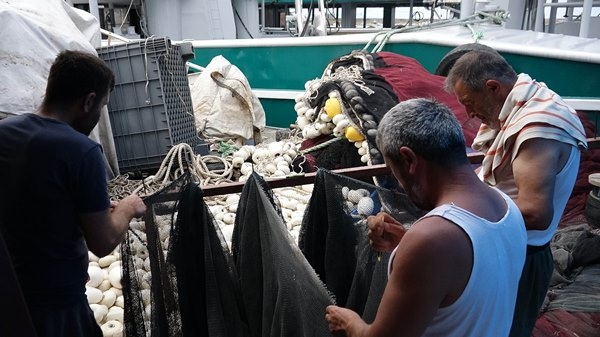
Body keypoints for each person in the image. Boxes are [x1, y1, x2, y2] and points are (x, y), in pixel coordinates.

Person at [325, 98, 527, 336]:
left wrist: (349, 322)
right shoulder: (506, 206)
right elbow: (471, 278)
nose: (399, 184)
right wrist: (404, 242)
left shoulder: (431, 240)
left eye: (394, 170)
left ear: (408, 160)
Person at [0, 50, 147, 337]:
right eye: (102, 105)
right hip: (57, 307)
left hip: (9, 295)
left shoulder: (4, 133)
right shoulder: (82, 151)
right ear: (89, 101)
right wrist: (129, 207)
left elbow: (36, 195)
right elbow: (103, 242)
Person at [443, 50, 588, 337]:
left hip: (518, 260)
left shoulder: (537, 129)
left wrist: (458, 213)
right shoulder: (530, 101)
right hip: (511, 250)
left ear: (493, 88)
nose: (470, 114)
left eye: (470, 103)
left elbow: (535, 212)